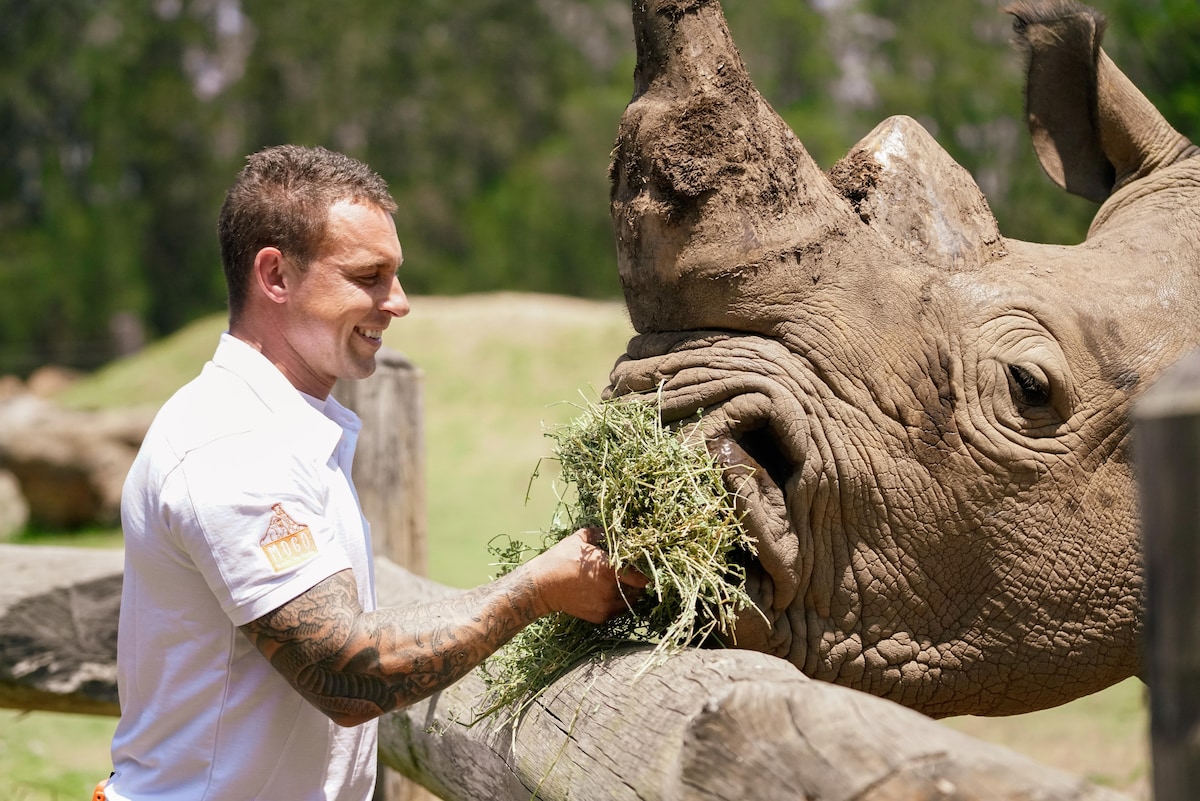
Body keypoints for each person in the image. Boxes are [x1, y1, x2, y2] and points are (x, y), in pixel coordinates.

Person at [103, 144, 645, 800]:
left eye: (396, 275)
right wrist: (538, 589)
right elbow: (345, 671)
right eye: (369, 276)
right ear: (275, 276)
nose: (399, 302)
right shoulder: (234, 444)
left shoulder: (278, 425)